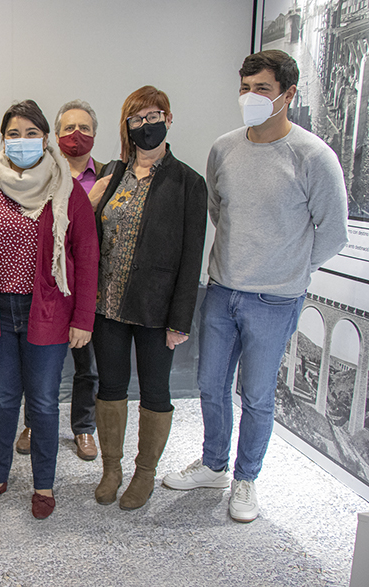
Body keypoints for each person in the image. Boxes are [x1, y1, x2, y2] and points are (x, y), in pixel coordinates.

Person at [163, 50, 348, 523]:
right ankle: (213, 464)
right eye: (245, 87)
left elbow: (331, 234)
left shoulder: (313, 156)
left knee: (259, 395)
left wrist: (290, 271)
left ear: (288, 94)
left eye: (262, 89)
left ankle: (246, 480)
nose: (251, 97)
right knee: (210, 386)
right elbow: (220, 211)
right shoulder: (224, 148)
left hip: (275, 298)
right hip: (223, 290)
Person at [0, 100, 99, 519]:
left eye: (31, 133)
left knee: (41, 402)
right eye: (13, 134)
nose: (22, 142)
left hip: (50, 311)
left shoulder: (66, 189)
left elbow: (87, 255)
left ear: (45, 138)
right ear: (3, 139)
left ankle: (43, 484)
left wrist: (84, 318)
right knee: (4, 399)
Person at [89, 86, 207, 511]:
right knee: (110, 386)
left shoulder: (188, 182)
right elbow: (89, 235)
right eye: (137, 119)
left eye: (154, 116)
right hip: (108, 305)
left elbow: (192, 255)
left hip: (157, 310)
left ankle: (144, 474)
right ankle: (112, 469)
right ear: (127, 127)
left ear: (168, 119)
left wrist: (181, 320)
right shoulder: (112, 173)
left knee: (156, 392)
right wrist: (91, 201)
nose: (146, 125)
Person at [16, 99, 104, 462]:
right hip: (46, 290)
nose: (75, 135)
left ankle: (83, 428)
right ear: (55, 135)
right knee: (36, 363)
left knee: (87, 366)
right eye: (68, 128)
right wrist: (89, 198)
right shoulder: (41, 175)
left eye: (84, 128)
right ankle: (34, 422)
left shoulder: (110, 177)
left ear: (95, 135)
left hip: (88, 287)